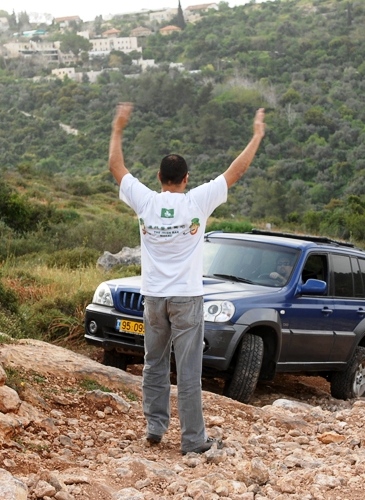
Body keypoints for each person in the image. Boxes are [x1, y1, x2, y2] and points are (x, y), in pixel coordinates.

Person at [109, 102, 266, 455]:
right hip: (187, 298)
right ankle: (193, 439)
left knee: (154, 364)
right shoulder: (197, 201)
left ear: (159, 177)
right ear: (186, 179)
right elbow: (236, 171)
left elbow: (116, 167)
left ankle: (155, 427)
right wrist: (256, 135)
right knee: (189, 371)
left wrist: (118, 128)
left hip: (153, 298)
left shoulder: (146, 202)